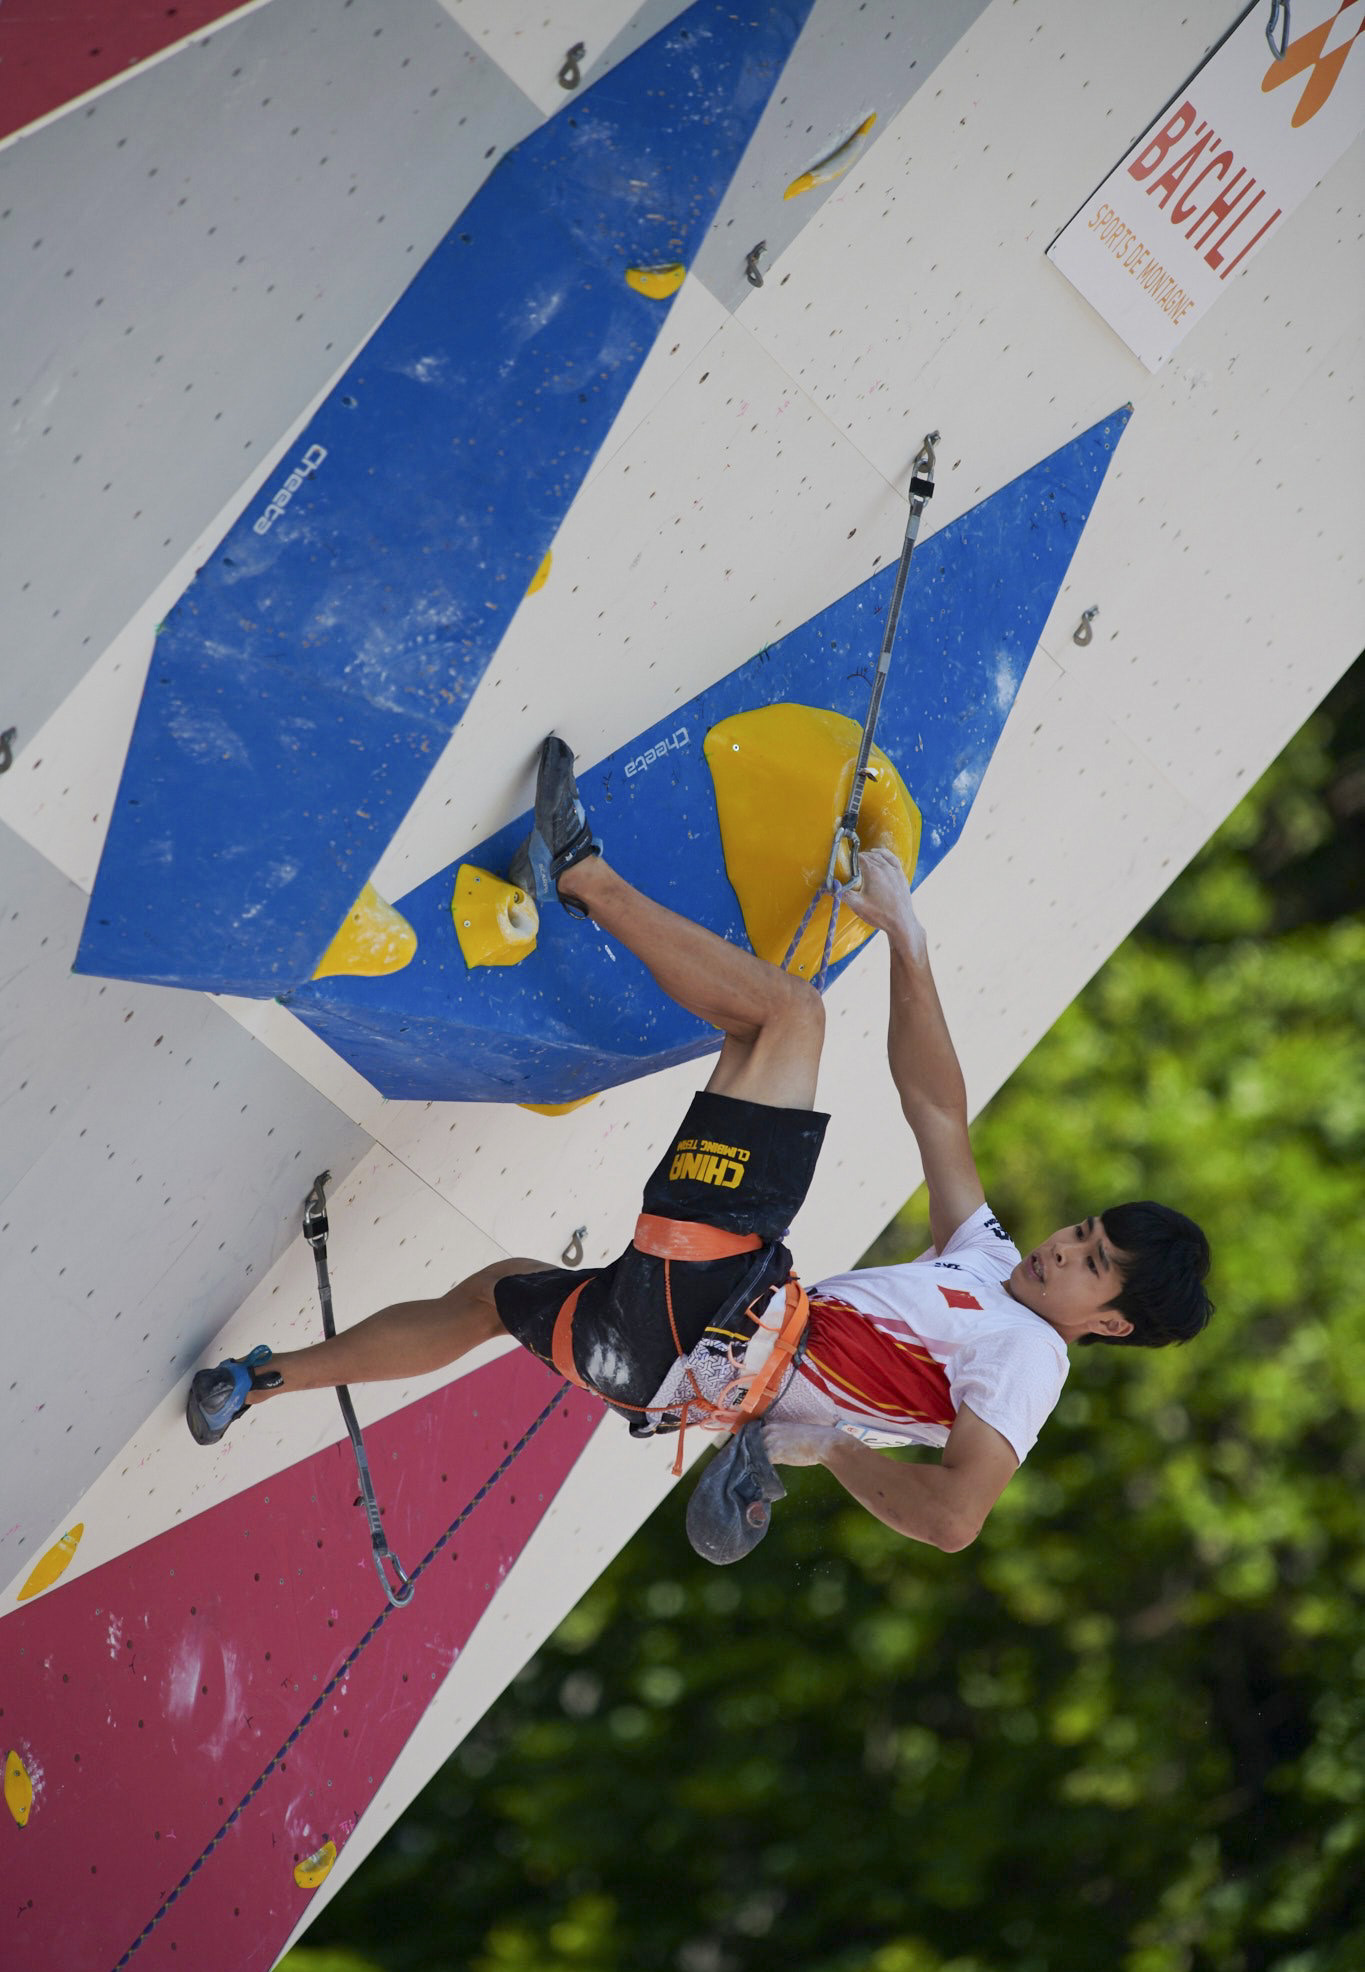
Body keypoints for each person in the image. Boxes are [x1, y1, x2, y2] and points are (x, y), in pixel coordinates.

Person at [187, 737, 1213, 1560]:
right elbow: (936, 1111)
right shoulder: (990, 1266)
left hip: (717, 1306)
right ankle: (252, 1383)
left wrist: (836, 1446)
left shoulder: (1031, 1358)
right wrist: (907, 940)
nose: (1064, 1250)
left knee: (788, 1020)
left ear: (1112, 1325)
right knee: (490, 1293)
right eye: (1081, 1231)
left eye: (1091, 1266)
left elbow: (953, 1520)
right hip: (647, 1365)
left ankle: (579, 871)